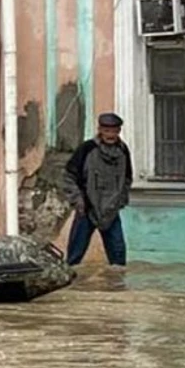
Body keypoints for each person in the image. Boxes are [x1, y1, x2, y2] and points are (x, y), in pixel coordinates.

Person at [62, 113, 133, 266]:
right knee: (75, 256)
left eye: (114, 131)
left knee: (118, 256)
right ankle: (71, 285)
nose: (110, 135)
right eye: (107, 130)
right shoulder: (87, 149)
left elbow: (127, 178)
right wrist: (78, 201)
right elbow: (69, 176)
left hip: (111, 211)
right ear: (100, 129)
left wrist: (120, 201)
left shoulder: (123, 151)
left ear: (119, 131)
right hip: (87, 209)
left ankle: (117, 287)